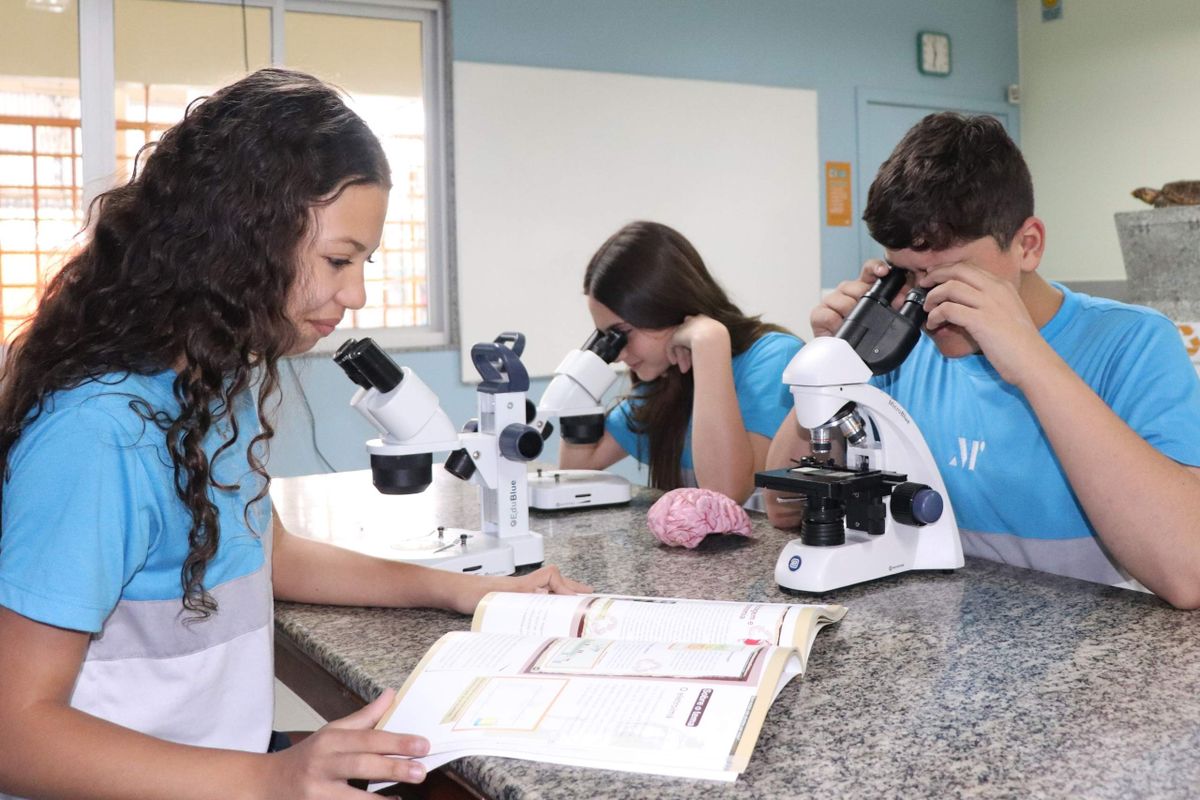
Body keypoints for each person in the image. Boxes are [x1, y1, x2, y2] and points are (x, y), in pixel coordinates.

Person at [0, 68, 588, 800]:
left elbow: (269, 554)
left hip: (221, 764)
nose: (355, 294)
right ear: (239, 236)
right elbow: (15, 732)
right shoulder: (98, 435)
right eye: (339, 260)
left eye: (364, 263)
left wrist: (464, 592)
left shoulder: (213, 384)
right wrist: (272, 779)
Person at [764, 112, 1200, 609]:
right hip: (936, 628)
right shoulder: (898, 353)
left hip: (1092, 639)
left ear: (1027, 245)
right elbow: (784, 509)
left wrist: (1030, 359)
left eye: (948, 275)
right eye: (907, 275)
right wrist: (834, 371)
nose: (926, 302)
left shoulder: (1133, 343)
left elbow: (1188, 572)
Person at [559, 221, 803, 507]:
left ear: (665, 306)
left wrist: (709, 343)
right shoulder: (664, 386)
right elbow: (574, 474)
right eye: (605, 337)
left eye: (621, 333)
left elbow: (725, 493)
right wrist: (583, 376)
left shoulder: (774, 357)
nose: (618, 354)